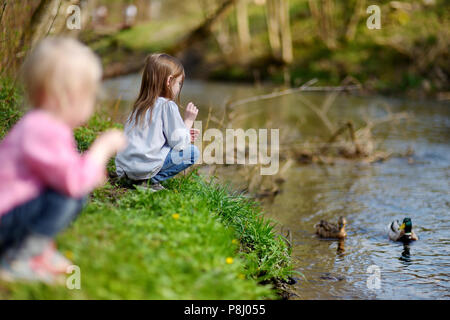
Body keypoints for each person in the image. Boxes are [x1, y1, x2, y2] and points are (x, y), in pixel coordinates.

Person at [0, 37, 126, 283]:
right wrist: (102, 149)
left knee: (72, 193)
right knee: (66, 196)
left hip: (11, 213)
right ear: (66, 96)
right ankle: (17, 258)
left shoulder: (45, 125)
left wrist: (88, 173)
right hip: (5, 217)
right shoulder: (43, 129)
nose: (93, 104)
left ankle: (35, 249)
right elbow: (71, 181)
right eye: (90, 96)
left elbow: (67, 171)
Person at [115, 53, 200, 192]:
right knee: (192, 152)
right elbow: (179, 144)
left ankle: (132, 179)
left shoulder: (140, 105)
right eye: (179, 83)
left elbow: (153, 139)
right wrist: (188, 121)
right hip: (141, 170)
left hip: (124, 170)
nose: (179, 88)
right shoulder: (167, 105)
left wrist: (184, 133)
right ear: (169, 81)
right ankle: (148, 181)